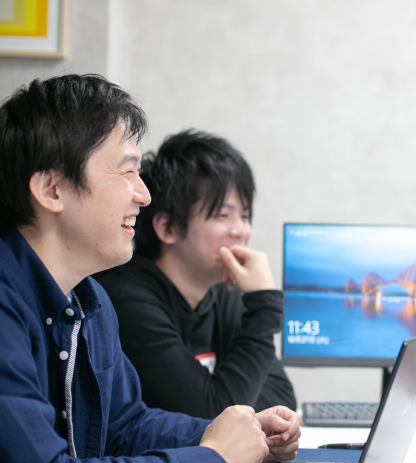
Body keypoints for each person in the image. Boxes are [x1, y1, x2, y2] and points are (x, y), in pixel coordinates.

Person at [0, 74, 301, 463]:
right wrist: (215, 460)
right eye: (127, 172)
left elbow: (125, 426)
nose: (143, 194)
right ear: (52, 189)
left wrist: (237, 433)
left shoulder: (90, 300)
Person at [96, 130, 296, 418]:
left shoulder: (222, 293)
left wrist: (225, 393)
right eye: (222, 215)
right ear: (167, 228)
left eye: (244, 215)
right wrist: (264, 305)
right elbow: (211, 415)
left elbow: (282, 399)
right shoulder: (126, 299)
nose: (241, 230)